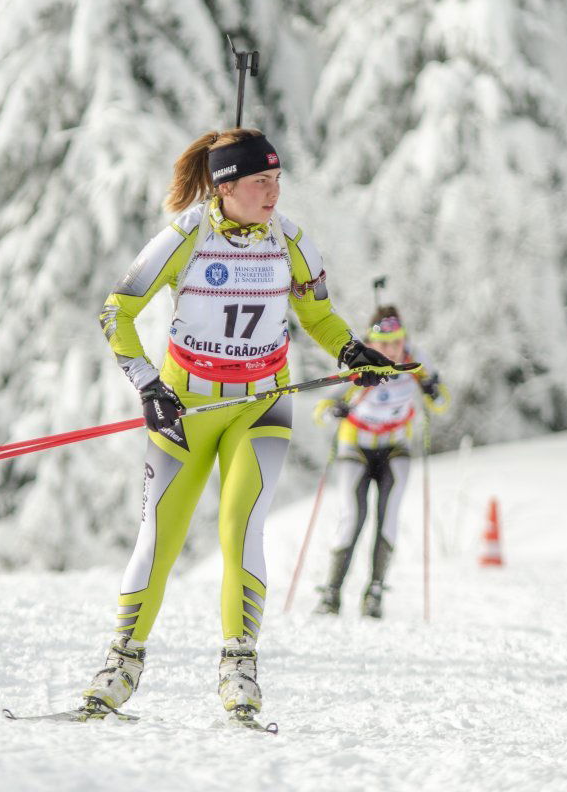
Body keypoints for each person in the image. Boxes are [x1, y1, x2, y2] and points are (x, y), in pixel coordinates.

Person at [84, 128, 395, 721]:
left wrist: (351, 351)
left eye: (278, 179)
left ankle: (239, 666)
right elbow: (115, 310)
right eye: (260, 181)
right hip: (186, 407)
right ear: (226, 186)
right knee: (161, 536)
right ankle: (121, 662)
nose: (273, 193)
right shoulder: (186, 235)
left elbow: (318, 314)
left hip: (263, 403)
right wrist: (148, 385)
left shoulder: (291, 241)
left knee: (241, 526)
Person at [311, 305, 448, 618]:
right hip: (356, 446)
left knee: (388, 516)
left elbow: (440, 403)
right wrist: (334, 411)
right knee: (352, 516)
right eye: (383, 344)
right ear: (371, 343)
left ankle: (374, 594)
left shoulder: (416, 361)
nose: (390, 351)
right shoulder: (359, 361)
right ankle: (332, 593)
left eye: (396, 343)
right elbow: (320, 407)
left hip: (395, 447)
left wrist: (432, 391)